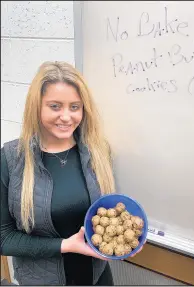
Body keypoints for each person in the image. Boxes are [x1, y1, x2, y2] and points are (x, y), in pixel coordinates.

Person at [1, 61, 144, 286]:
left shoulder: (98, 151)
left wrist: (129, 235)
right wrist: (64, 245)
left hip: (97, 278)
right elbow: (4, 237)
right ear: (36, 107)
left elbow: (106, 214)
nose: (66, 117)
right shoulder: (11, 158)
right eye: (55, 106)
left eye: (75, 107)